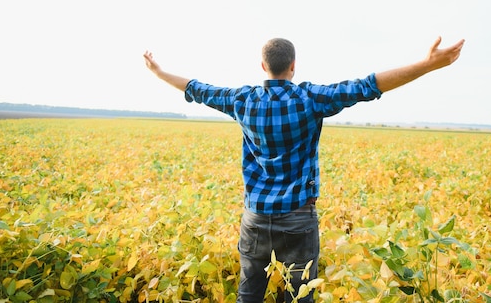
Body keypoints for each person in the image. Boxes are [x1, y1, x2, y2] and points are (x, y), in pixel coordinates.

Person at [143, 36, 465, 303]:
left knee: (248, 295)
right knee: (299, 297)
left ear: (263, 67)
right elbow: (367, 86)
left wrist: (158, 72)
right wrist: (427, 65)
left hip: (255, 218)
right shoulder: (311, 99)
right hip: (299, 219)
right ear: (293, 67)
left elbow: (197, 88)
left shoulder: (242, 100)